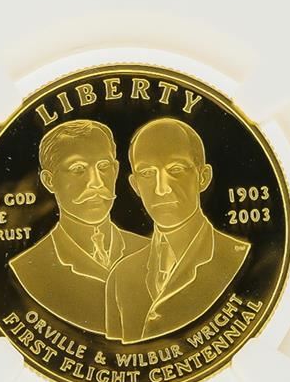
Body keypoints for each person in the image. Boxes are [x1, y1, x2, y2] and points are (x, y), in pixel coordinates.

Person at [105, 117, 250, 343]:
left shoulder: (240, 258)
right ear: (135, 186)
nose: (161, 188)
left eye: (175, 169)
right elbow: (115, 358)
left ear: (203, 177)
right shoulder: (121, 276)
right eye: (147, 173)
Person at [10, 119, 147, 334]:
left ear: (116, 170)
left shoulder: (152, 253)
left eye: (103, 167)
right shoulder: (28, 267)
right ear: (49, 181)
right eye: (78, 169)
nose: (96, 182)